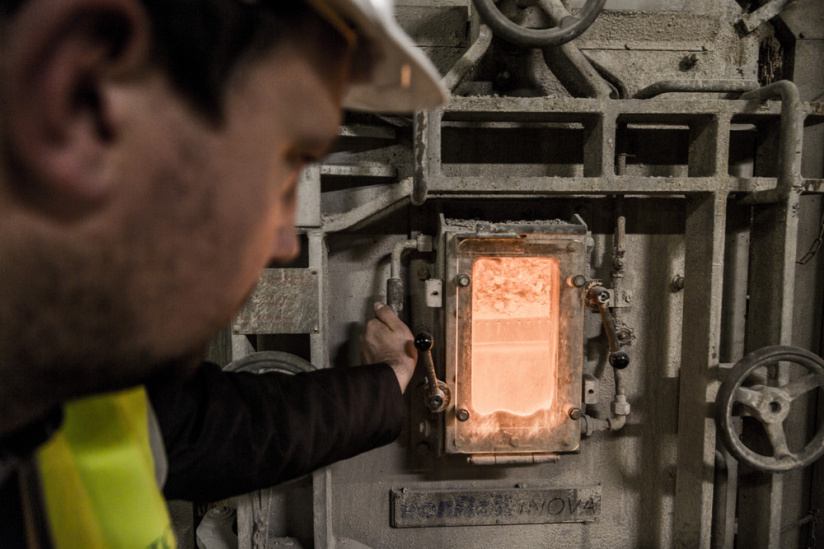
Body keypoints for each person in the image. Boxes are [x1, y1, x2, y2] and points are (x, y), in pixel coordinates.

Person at [0, 0, 448, 546]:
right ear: (82, 97)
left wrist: (388, 383)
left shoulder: (73, 381)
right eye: (285, 162)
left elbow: (215, 428)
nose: (284, 242)